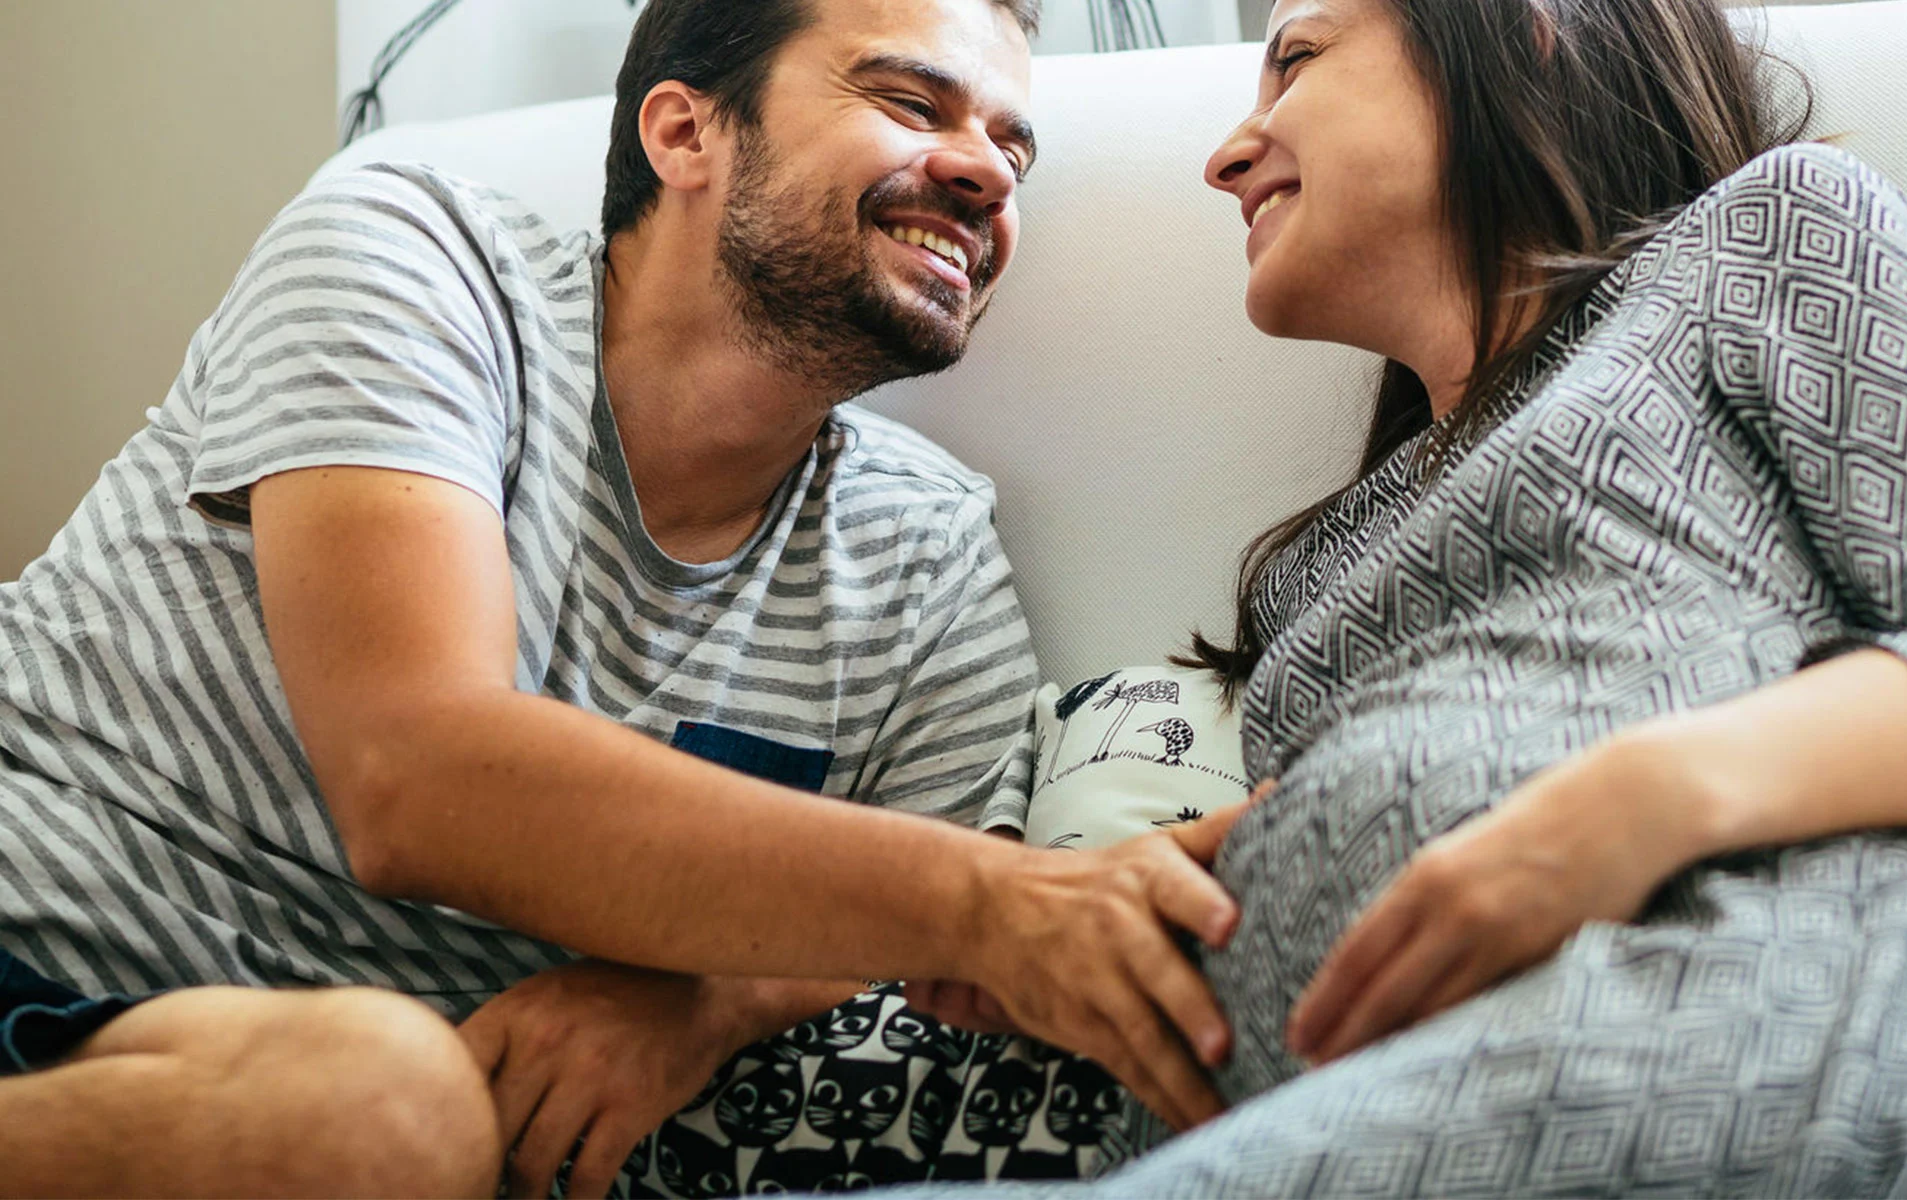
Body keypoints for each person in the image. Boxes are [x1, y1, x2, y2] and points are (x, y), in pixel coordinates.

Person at [0, 0, 1248, 1195]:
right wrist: (991, 905)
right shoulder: (415, 256)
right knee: (389, 1112)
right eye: (913, 102)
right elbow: (413, 775)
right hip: (33, 931)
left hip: (277, 1093)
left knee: (382, 1114)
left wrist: (708, 1001)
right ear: (684, 131)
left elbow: (910, 952)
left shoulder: (930, 551)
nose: (985, 174)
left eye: (1013, 153)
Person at [905, 0, 1907, 1194]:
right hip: (1308, 1118)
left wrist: (1635, 803)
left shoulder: (1762, 236)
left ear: (1522, 29)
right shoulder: (1321, 560)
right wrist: (1119, 918)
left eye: (1299, 60)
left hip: (1692, 1058)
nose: (1228, 154)